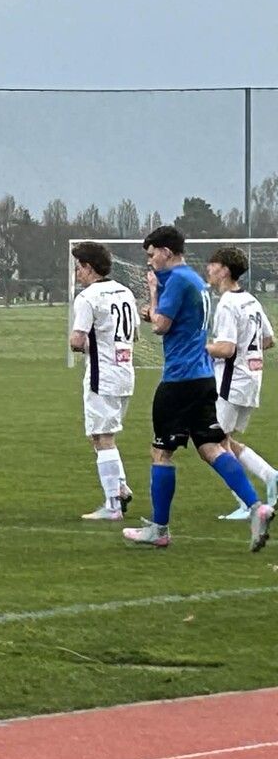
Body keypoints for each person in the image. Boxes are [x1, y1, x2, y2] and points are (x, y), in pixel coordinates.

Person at [124, 225, 274, 551]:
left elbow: (162, 325)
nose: (150, 263)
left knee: (161, 451)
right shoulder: (196, 282)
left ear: (166, 250)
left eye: (152, 255)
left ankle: (159, 529)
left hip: (180, 379)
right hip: (205, 378)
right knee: (212, 447)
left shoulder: (177, 281)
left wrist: (152, 297)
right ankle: (255, 506)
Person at [203, 246, 278, 520]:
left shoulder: (227, 304)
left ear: (224, 270)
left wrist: (202, 347)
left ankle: (247, 503)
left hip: (230, 382)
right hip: (251, 379)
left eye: (212, 265)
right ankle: (271, 476)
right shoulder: (251, 300)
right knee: (224, 439)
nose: (208, 270)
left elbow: (226, 348)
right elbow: (268, 339)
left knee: (212, 443)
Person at [69, 241, 138, 521]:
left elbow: (77, 340)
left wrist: (85, 345)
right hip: (125, 373)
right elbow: (135, 335)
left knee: (102, 436)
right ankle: (119, 487)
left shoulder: (88, 297)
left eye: (78, 267)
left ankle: (112, 504)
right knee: (99, 434)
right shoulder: (126, 291)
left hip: (102, 374)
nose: (76, 272)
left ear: (88, 267)